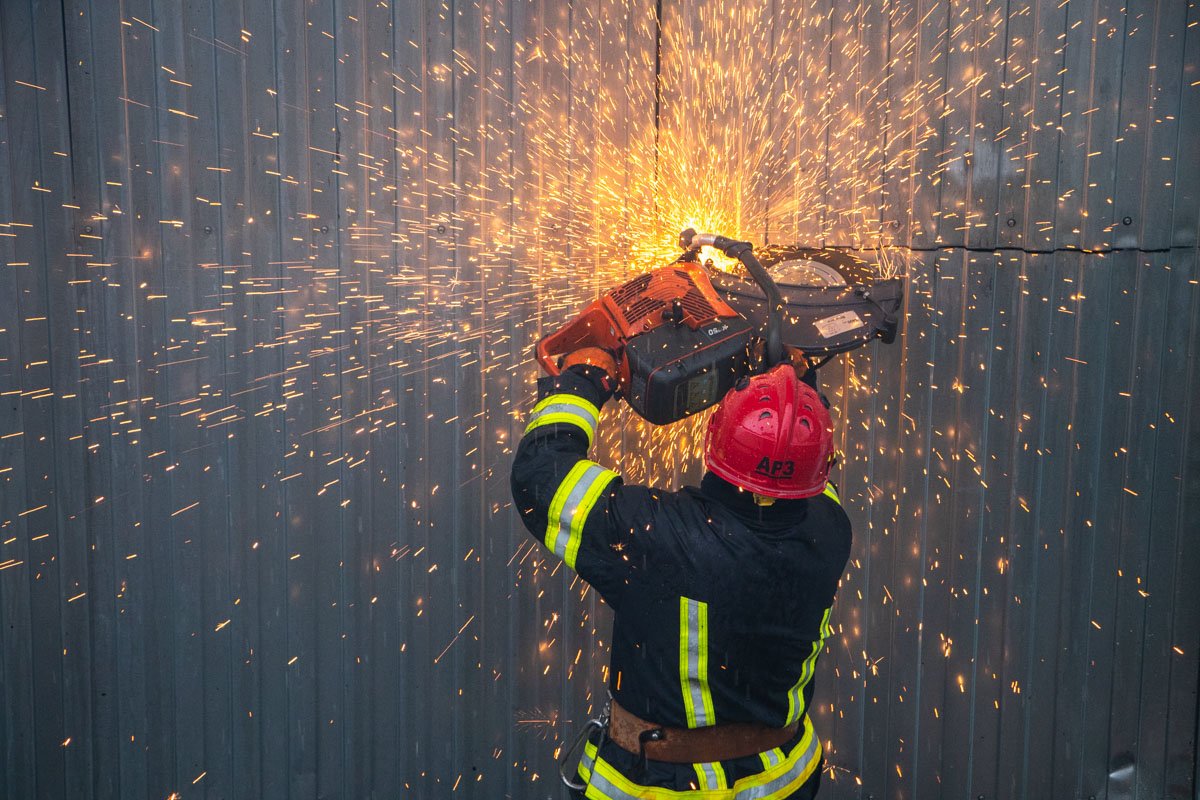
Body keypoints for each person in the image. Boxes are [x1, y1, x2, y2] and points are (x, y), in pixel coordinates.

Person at [510, 345, 852, 799]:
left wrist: (584, 376)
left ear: (716, 437)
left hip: (666, 788)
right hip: (785, 775)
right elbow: (796, 466)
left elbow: (541, 476)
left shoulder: (660, 539)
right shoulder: (831, 527)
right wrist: (791, 388)